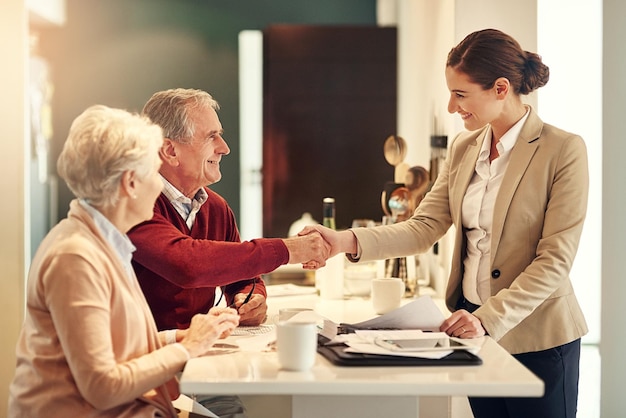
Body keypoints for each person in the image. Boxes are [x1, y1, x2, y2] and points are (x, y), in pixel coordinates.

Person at [301, 28, 588, 418]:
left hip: (538, 338)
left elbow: (554, 260)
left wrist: (487, 319)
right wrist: (342, 241)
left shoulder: (563, 150)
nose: (453, 108)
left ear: (501, 88)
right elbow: (422, 228)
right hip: (469, 330)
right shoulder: (464, 148)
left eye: (461, 94)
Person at [8, 105, 240, 418]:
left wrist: (180, 336)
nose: (159, 185)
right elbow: (102, 386)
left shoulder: (103, 241)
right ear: (131, 183)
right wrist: (187, 348)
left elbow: (114, 345)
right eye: (153, 172)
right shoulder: (75, 258)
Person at [127, 88, 329, 417]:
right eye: (212, 137)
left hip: (201, 366)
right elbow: (188, 263)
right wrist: (285, 250)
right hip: (145, 373)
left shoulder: (216, 208)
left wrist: (253, 298)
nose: (225, 148)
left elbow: (243, 276)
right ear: (170, 150)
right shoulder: (136, 206)